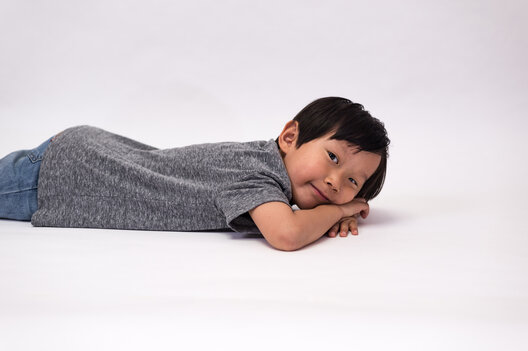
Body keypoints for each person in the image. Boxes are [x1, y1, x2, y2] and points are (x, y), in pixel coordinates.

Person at [0, 97, 390, 251]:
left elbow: (295, 220)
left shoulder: (267, 169)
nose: (336, 183)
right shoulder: (258, 175)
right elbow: (286, 234)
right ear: (290, 137)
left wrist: (325, 216)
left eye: (354, 182)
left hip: (87, 155)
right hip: (64, 176)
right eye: (334, 158)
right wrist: (337, 212)